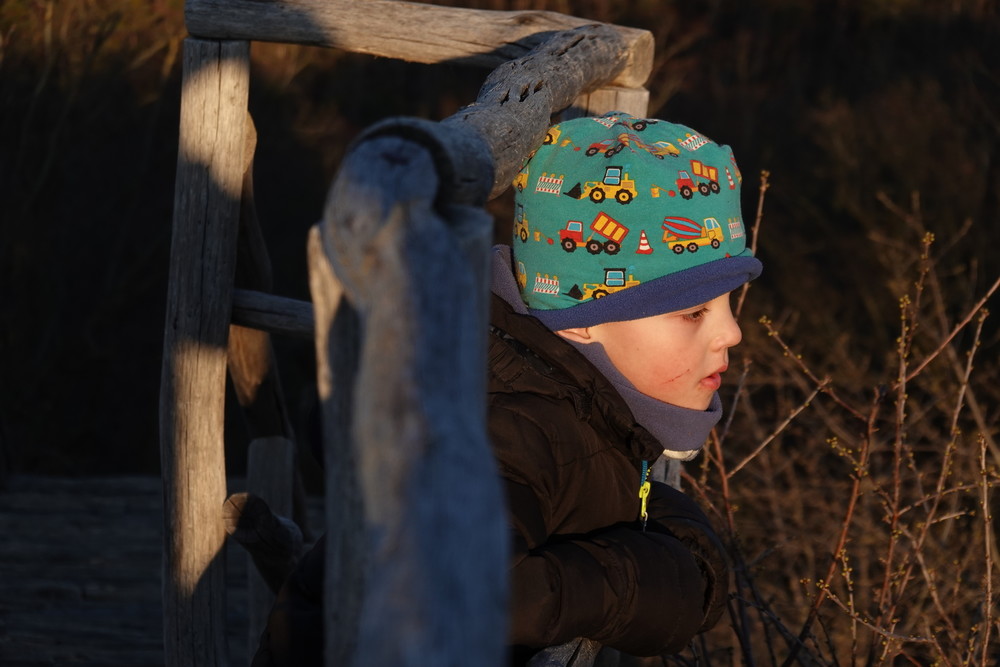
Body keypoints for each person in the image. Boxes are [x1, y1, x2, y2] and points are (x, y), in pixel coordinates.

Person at [490, 111, 762, 663]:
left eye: (728, 303)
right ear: (581, 318)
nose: (732, 331)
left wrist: (674, 534)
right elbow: (475, 594)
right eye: (693, 312)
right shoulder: (510, 426)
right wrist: (646, 579)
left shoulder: (567, 398)